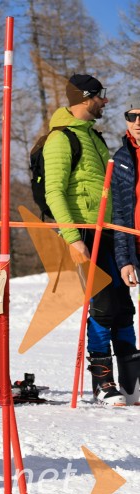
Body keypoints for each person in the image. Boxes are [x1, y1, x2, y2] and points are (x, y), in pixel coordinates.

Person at [44, 74, 137, 406]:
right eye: (101, 96)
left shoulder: (94, 138)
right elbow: (54, 192)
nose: (105, 101)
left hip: (107, 231)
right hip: (82, 233)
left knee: (123, 308)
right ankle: (103, 383)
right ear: (85, 98)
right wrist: (72, 238)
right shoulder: (61, 139)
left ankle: (132, 383)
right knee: (101, 307)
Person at [106, 93, 140, 406]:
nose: (138, 122)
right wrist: (124, 260)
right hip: (135, 246)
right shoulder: (121, 158)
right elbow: (118, 215)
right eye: (132, 116)